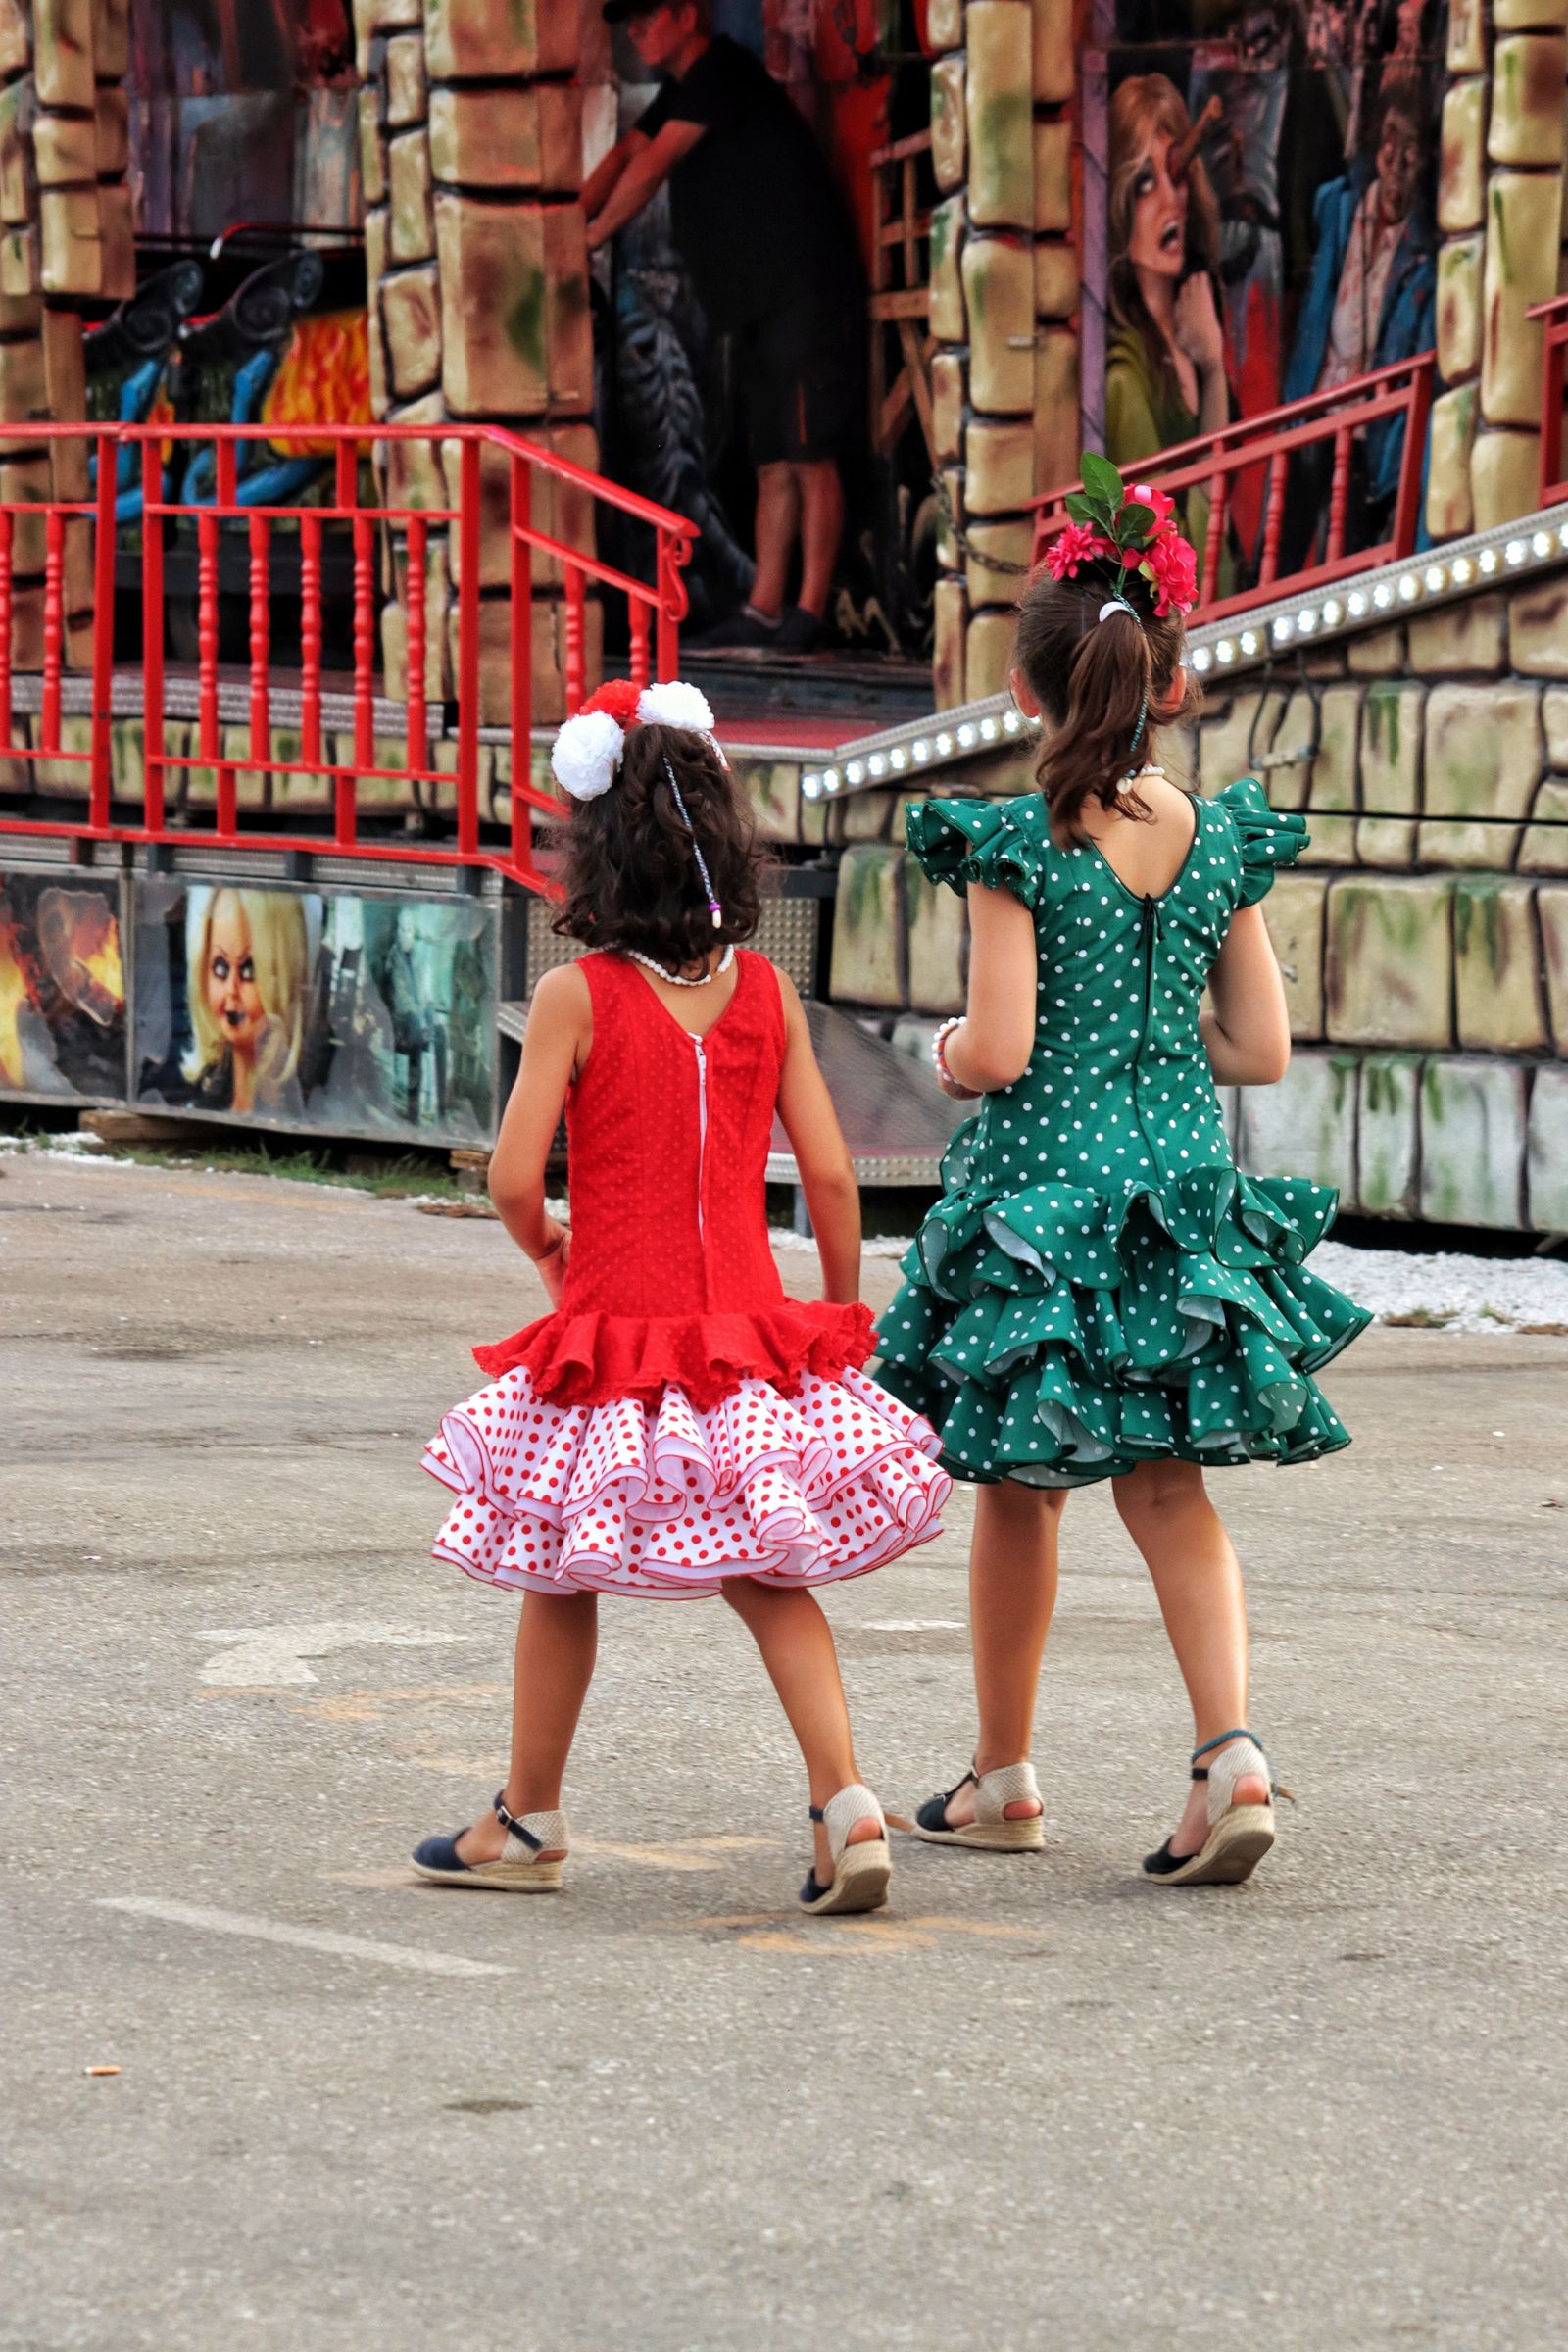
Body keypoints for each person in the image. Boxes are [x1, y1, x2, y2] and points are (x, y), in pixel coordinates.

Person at [873, 462, 1370, 1886]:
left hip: (1042, 1198)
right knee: (1168, 1486)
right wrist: (1166, 1039)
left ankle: (1005, 1777)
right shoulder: (1212, 836)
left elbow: (1006, 1046)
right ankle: (1232, 1755)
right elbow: (1260, 1050)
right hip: (1179, 1192)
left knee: (1017, 1486)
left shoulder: (1021, 841)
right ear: (1162, 676)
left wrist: (951, 1046)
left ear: (1030, 693)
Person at [411, 676, 950, 1913]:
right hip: (750, 1341)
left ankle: (530, 1817)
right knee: (769, 1574)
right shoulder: (765, 996)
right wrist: (830, 1321)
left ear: (597, 849)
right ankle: (846, 1802)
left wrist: (551, 1249)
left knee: (559, 1571)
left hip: (613, 1337)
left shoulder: (576, 997)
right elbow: (825, 1169)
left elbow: (506, 1176)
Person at [585, 1, 862, 653]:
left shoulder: (722, 71)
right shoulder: (681, 89)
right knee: (771, 458)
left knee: (809, 453)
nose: (635, 30)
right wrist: (561, 221)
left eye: (645, 15)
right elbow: (627, 151)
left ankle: (810, 609)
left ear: (686, 13)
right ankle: (765, 608)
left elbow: (652, 168)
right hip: (758, 302)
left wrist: (591, 239)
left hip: (803, 287)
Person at [1279, 77, 1436, 565]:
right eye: (1390, 137)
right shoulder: (1339, 208)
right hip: (1310, 409)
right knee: (1277, 545)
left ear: (1426, 161)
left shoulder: (1424, 256)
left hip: (1368, 437)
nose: (1397, 156)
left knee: (1340, 558)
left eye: (1412, 145)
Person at [1105, 74, 1230, 589]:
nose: (1171, 202)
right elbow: (1176, 558)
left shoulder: (1195, 325)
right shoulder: (1124, 376)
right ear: (1116, 203)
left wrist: (1212, 364)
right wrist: (1214, 371)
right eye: (1144, 183)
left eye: (1175, 175)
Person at [181, 885, 307, 1117]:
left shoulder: (302, 1101)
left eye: (249, 971)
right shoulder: (200, 1100)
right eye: (220, 968)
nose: (232, 989)